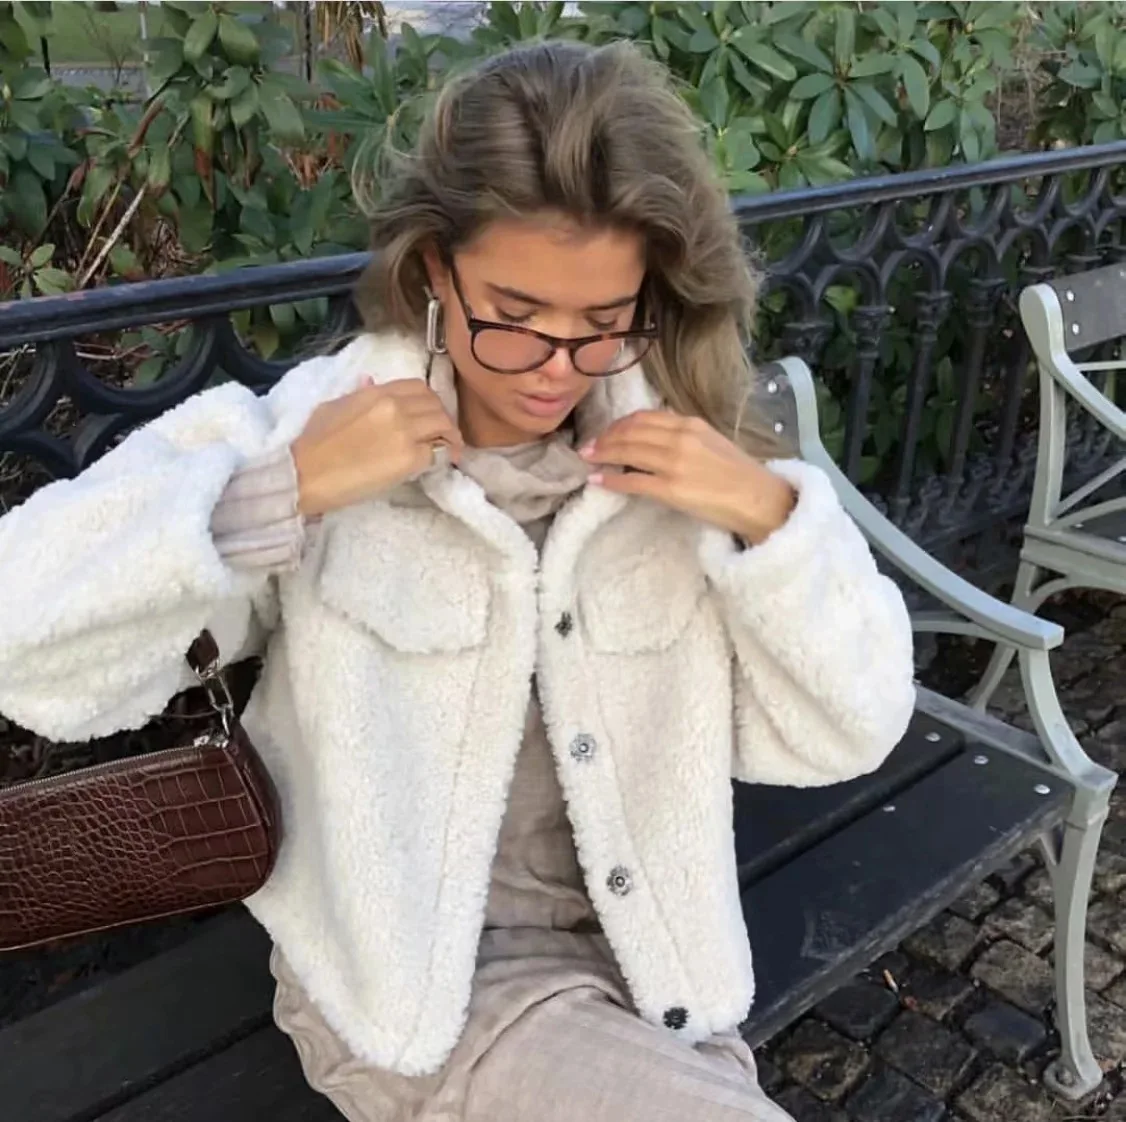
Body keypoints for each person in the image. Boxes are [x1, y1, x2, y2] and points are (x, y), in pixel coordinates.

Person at [0, 39, 915, 1122]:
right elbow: (23, 640)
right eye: (515, 316)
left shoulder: (673, 469)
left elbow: (847, 733)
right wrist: (281, 491)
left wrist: (769, 518)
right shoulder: (308, 431)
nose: (555, 369)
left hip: (659, 974)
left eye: (601, 325)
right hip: (417, 1007)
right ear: (435, 269)